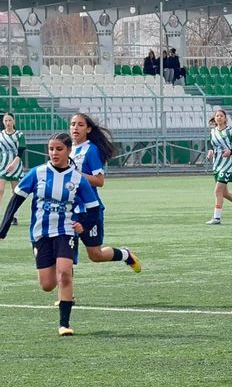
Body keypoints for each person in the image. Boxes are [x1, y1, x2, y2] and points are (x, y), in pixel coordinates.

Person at [0, 132, 101, 336]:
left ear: (69, 151)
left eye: (59, 149)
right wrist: (3, 230)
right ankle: (61, 274)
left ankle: (64, 324)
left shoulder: (77, 179)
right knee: (47, 284)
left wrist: (81, 224)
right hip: (41, 233)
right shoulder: (37, 173)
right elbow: (16, 200)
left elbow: (94, 207)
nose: (54, 153)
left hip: (66, 231)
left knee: (64, 274)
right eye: (51, 149)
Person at [69, 113, 141, 271]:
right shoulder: (68, 150)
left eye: (80, 124)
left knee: (95, 255)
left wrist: (76, 174)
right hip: (69, 211)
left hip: (90, 210)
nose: (75, 127)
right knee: (66, 256)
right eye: (73, 124)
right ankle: (68, 296)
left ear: (88, 129)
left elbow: (99, 181)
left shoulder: (91, 150)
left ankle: (125, 254)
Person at [206, 109, 232, 225]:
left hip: (227, 164)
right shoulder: (213, 131)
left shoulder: (230, 132)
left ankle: (217, 218)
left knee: (217, 191)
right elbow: (211, 144)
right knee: (224, 193)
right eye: (217, 116)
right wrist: (210, 151)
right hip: (217, 163)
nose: (219, 117)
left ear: (225, 118)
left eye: (221, 116)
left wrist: (231, 151)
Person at [0, 113, 25, 226]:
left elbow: (21, 151)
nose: (8, 123)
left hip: (16, 166)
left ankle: (14, 216)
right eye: (6, 120)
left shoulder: (19, 134)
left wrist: (13, 164)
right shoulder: (0, 135)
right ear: (3, 122)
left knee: (16, 192)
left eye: (10, 120)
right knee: (0, 190)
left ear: (14, 121)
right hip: (3, 166)